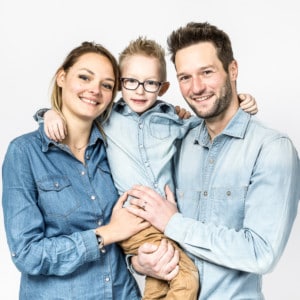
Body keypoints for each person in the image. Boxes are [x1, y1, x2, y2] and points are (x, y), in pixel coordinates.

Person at [38, 37, 257, 299]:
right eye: (131, 81)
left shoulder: (172, 119)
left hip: (169, 220)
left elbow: (209, 124)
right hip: (134, 221)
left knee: (160, 281)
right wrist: (48, 114)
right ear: (120, 84)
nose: (140, 91)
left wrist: (239, 102)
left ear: (162, 87)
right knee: (186, 279)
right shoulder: (107, 118)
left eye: (150, 83)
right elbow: (77, 114)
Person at [126, 22, 300, 299]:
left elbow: (260, 253)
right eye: (185, 77)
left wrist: (174, 224)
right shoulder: (177, 140)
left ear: (233, 70)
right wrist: (138, 262)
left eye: (206, 72)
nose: (196, 88)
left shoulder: (271, 149)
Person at [1, 41, 151, 300]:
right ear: (62, 77)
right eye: (84, 77)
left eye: (106, 85)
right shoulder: (25, 153)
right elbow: (27, 254)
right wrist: (107, 233)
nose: (95, 90)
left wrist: (138, 260)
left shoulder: (114, 149)